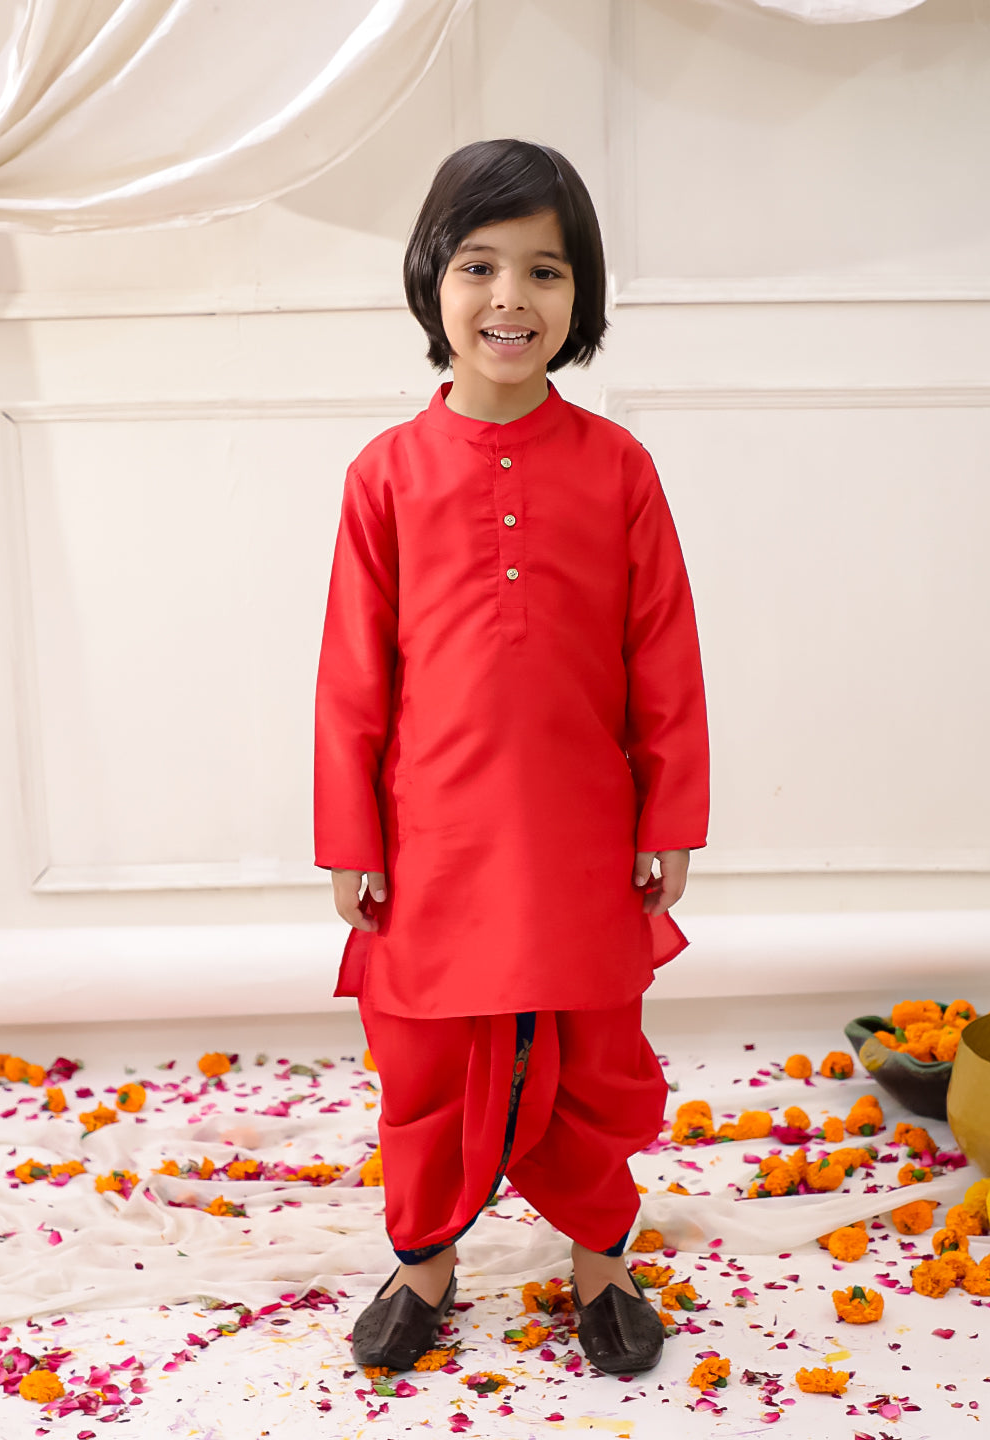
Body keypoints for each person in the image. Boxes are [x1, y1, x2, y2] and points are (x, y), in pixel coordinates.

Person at [313, 138, 709, 1375]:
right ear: (431, 278)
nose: (510, 298)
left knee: (595, 1054)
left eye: (545, 271)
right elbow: (351, 675)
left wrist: (669, 817)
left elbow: (664, 652)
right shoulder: (385, 476)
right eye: (479, 266)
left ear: (580, 295)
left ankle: (600, 1261)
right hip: (431, 838)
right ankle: (424, 1260)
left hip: (584, 831)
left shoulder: (619, 468)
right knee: (424, 1060)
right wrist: (351, 839)